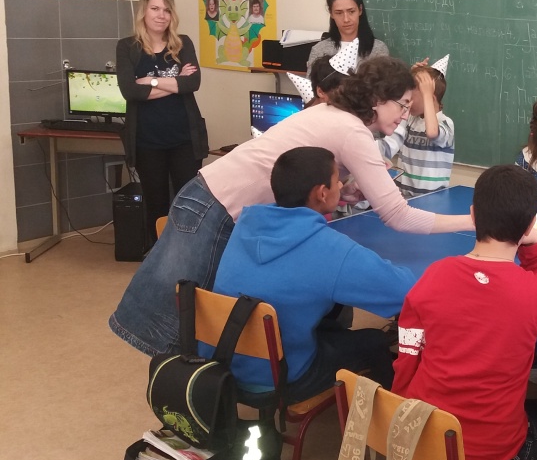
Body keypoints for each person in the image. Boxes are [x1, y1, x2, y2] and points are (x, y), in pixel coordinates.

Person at [109, 56, 474, 358]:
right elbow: (397, 215)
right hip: (217, 205)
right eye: (403, 105)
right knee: (181, 317)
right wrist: (473, 221)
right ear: (379, 98)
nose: (405, 114)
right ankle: (184, 394)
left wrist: (344, 193)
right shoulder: (353, 131)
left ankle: (197, 384)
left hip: (208, 193)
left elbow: (308, 179)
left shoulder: (333, 112)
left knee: (194, 310)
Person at [392, 165, 537, 460]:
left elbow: (408, 354)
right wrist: (535, 247)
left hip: (421, 442)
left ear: (472, 215)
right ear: (529, 227)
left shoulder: (433, 276)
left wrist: (401, 412)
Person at [210, 147, 414, 400]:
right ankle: (390, 415)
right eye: (337, 180)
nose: (341, 185)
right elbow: (405, 292)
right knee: (375, 341)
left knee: (327, 313)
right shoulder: (329, 249)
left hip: (224, 363)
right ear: (321, 192)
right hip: (281, 376)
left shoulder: (246, 224)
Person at [115, 0, 208, 246]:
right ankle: (159, 254)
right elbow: (130, 91)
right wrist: (175, 82)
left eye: (166, 10)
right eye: (155, 9)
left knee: (188, 201)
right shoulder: (127, 47)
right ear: (143, 12)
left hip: (184, 139)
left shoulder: (183, 44)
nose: (161, 15)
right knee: (156, 203)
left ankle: (187, 252)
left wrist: (151, 81)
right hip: (147, 142)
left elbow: (193, 83)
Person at [378, 59, 455, 196]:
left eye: (411, 98)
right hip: (402, 196)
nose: (408, 103)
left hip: (432, 200)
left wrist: (426, 94)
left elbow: (432, 133)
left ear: (430, 99)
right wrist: (409, 77)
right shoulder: (409, 119)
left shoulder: (445, 123)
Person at [306, 0, 389, 72]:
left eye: (351, 11)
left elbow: (384, 81)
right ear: (331, 13)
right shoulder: (319, 51)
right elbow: (311, 81)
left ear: (360, 10)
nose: (346, 19)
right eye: (339, 13)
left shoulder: (378, 50)